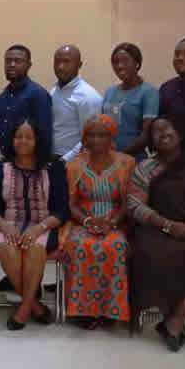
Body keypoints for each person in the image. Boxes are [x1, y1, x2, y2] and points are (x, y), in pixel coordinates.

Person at [128, 118, 185, 352]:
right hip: (157, 229)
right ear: (151, 141)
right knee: (150, 254)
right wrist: (168, 225)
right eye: (156, 131)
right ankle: (170, 314)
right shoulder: (145, 168)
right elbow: (134, 205)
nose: (163, 133)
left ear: (179, 134)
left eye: (168, 127)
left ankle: (176, 319)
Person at [0, 119, 67, 330]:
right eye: (18, 137)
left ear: (38, 140)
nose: (22, 141)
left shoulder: (53, 168)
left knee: (35, 248)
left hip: (43, 225)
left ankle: (24, 308)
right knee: (7, 248)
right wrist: (5, 226)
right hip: (7, 224)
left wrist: (39, 228)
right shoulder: (1, 168)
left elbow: (61, 210)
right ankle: (34, 306)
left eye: (28, 137)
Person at [62, 115, 135, 329]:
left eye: (102, 135)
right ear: (84, 139)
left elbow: (129, 202)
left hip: (116, 221)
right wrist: (87, 221)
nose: (96, 139)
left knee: (116, 245)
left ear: (112, 137)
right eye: (91, 135)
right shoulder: (74, 166)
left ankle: (109, 309)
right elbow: (71, 203)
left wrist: (111, 222)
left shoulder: (126, 163)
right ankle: (82, 311)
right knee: (80, 245)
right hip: (81, 221)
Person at [101, 43, 159, 161]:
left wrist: (121, 155)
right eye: (115, 62)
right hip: (107, 159)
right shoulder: (110, 92)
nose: (120, 66)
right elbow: (103, 127)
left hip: (133, 159)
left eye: (125, 61)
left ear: (137, 63)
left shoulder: (149, 92)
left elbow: (147, 135)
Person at [0, 45, 53, 156]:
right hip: (5, 161)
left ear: (28, 65)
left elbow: (44, 136)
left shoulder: (38, 95)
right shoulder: (2, 97)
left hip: (29, 163)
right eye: (8, 61)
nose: (12, 64)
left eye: (18, 61)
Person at [50, 45, 102, 162]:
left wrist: (65, 160)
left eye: (66, 62)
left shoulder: (88, 96)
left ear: (79, 65)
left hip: (74, 162)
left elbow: (91, 137)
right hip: (52, 158)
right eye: (57, 61)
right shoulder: (54, 91)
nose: (60, 66)